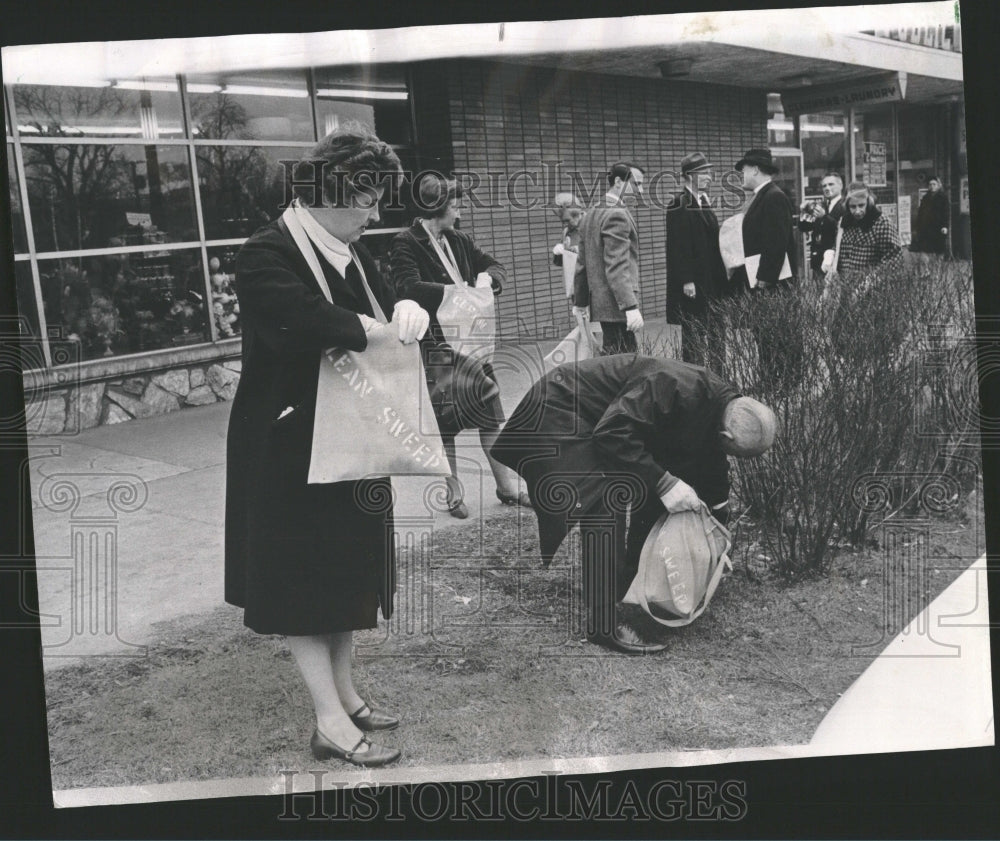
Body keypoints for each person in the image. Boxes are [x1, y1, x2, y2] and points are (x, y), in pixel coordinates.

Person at [225, 127, 431, 768]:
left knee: (343, 573)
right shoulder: (266, 253)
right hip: (288, 446)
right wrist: (376, 328)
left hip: (347, 439)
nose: (375, 216)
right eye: (367, 201)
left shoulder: (344, 248)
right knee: (301, 582)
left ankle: (346, 695)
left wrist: (406, 306)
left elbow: (383, 295)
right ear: (330, 195)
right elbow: (307, 322)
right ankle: (328, 722)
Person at [491, 355, 775, 654]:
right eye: (735, 452)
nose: (730, 457)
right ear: (726, 434)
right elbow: (612, 433)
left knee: (653, 484)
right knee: (605, 500)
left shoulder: (719, 405)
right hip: (558, 408)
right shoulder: (672, 386)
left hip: (598, 420)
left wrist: (717, 533)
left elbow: (711, 467)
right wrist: (665, 483)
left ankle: (623, 586)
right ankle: (603, 626)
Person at [389, 174, 529, 519]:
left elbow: (495, 265)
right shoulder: (406, 242)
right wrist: (456, 293)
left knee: (491, 416)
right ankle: (453, 494)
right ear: (438, 207)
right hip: (439, 344)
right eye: (456, 205)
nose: (461, 211)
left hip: (473, 342)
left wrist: (488, 281)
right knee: (447, 423)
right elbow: (406, 285)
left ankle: (507, 487)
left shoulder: (460, 239)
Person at [733, 148, 800, 384]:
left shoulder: (773, 197)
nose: (742, 175)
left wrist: (765, 278)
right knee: (766, 332)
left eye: (743, 170)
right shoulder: (763, 196)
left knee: (776, 332)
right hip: (762, 279)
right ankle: (772, 377)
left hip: (772, 283)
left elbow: (777, 242)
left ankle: (782, 379)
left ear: (754, 169)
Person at [573, 161, 646, 355]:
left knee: (615, 360)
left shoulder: (591, 213)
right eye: (636, 184)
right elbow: (617, 265)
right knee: (623, 364)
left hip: (604, 305)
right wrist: (630, 306)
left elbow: (582, 263)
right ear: (619, 182)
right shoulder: (617, 214)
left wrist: (579, 303)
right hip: (617, 306)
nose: (641, 191)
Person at [665, 152, 729, 365]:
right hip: (695, 284)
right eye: (704, 173)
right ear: (690, 175)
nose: (710, 177)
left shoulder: (702, 200)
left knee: (716, 332)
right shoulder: (679, 203)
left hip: (711, 281)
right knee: (694, 333)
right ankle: (694, 380)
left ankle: (718, 379)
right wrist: (686, 280)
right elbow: (677, 245)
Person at [798, 171, 845, 283]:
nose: (827, 188)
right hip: (818, 262)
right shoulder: (822, 205)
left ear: (841, 185)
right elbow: (804, 227)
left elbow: (841, 230)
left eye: (831, 184)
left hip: (835, 263)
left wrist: (824, 217)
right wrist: (803, 213)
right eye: (824, 186)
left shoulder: (846, 205)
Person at [911, 175, 950, 256]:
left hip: (938, 228)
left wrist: (945, 226)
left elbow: (946, 213)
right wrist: (918, 227)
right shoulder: (925, 198)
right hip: (927, 228)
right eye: (930, 184)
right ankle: (929, 268)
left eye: (934, 184)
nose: (932, 186)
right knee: (927, 251)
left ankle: (938, 267)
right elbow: (921, 213)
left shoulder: (943, 197)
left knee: (939, 251)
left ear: (938, 185)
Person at [551, 192, 585, 283]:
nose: (565, 224)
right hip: (574, 283)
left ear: (576, 214)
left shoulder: (592, 227)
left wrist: (577, 251)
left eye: (567, 220)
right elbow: (561, 263)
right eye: (562, 221)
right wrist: (558, 253)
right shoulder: (567, 231)